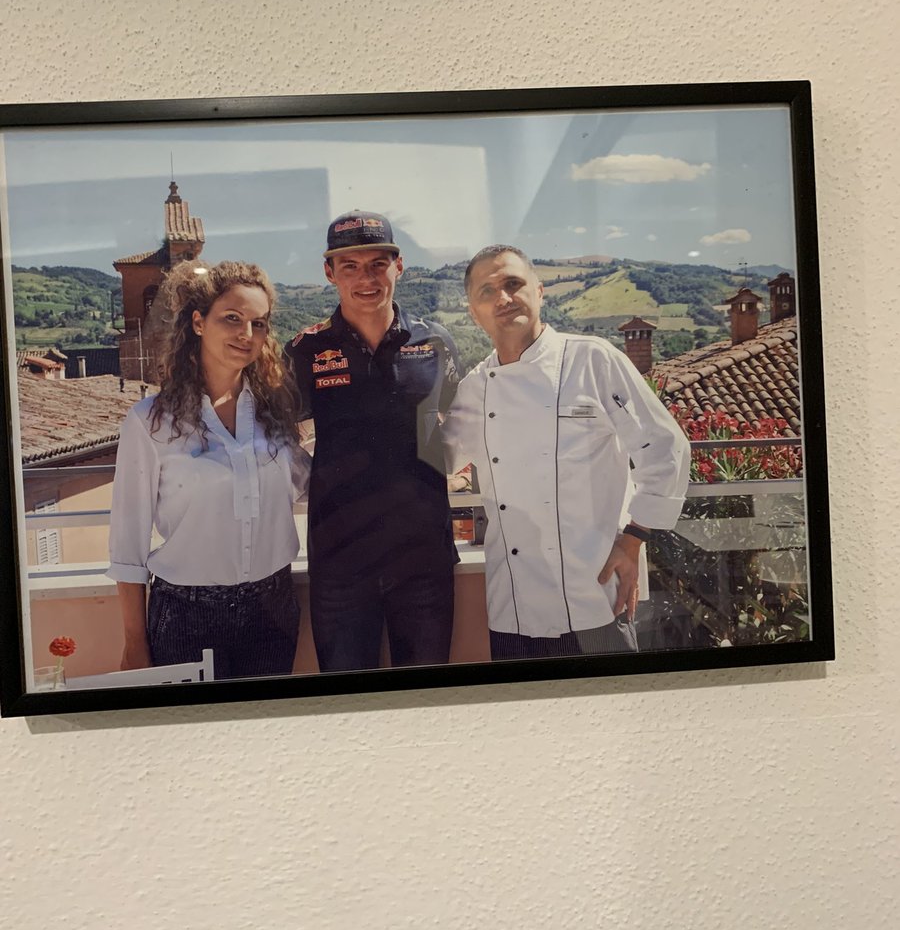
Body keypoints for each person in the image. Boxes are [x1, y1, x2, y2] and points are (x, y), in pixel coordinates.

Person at [441, 245, 691, 662]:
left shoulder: (591, 359)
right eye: (487, 291)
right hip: (513, 608)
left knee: (612, 716)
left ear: (539, 292)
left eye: (513, 284)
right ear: (473, 312)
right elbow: (435, 459)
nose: (503, 298)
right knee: (529, 720)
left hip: (595, 595)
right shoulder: (475, 388)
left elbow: (666, 447)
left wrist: (634, 540)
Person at [107, 259, 309, 680]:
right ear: (198, 323)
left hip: (273, 609)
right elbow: (128, 544)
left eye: (258, 323)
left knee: (265, 738)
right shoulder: (151, 422)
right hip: (186, 617)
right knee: (192, 743)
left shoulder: (274, 412)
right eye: (231, 318)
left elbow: (306, 482)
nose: (246, 334)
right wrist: (133, 643)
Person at [283, 213, 462, 672]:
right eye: (350, 266)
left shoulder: (435, 342)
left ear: (398, 267)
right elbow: (278, 439)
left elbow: (462, 424)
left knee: (426, 702)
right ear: (329, 273)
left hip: (424, 560)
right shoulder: (305, 351)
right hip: (340, 564)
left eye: (378, 264)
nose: (366, 278)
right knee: (347, 702)